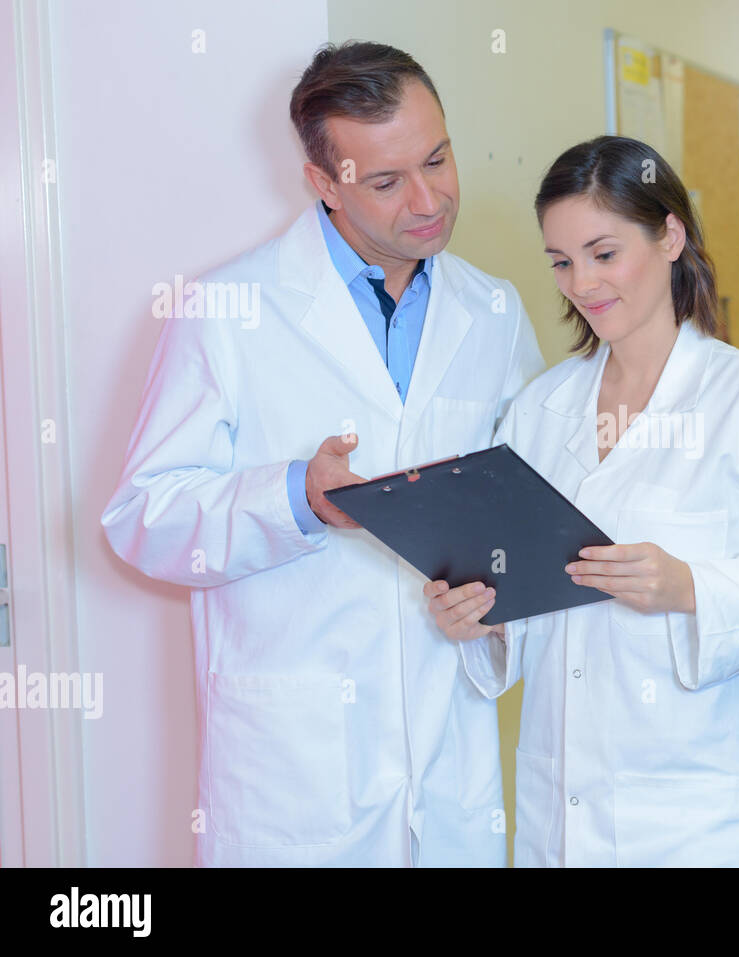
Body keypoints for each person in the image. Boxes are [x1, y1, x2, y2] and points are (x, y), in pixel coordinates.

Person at [101, 41, 543, 866]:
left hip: (450, 751)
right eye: (385, 181)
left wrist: (496, 599)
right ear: (323, 183)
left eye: (438, 159)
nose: (429, 200)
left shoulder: (493, 311)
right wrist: (296, 499)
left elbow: (524, 505)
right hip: (294, 771)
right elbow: (141, 517)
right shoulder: (228, 310)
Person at [424, 136, 739, 867]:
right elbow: (524, 602)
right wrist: (480, 619)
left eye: (605, 253)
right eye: (563, 262)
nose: (583, 282)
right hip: (560, 818)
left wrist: (692, 586)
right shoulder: (541, 410)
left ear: (670, 235)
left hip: (694, 821)